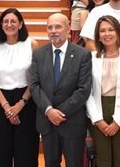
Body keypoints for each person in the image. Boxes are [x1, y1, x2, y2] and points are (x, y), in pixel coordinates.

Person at [29, 13, 92, 167]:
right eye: (50, 27)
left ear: (68, 28)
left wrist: (60, 113)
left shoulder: (82, 54)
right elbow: (34, 85)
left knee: (74, 163)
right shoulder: (39, 54)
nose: (53, 30)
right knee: (50, 163)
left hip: (72, 121)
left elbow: (83, 89)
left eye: (58, 26)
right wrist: (49, 111)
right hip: (47, 121)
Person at [86, 16, 120, 167]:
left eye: (111, 29)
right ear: (98, 35)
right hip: (99, 111)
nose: (106, 34)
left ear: (118, 32)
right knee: (103, 161)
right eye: (102, 31)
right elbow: (87, 92)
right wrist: (98, 120)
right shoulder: (90, 58)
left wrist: (118, 122)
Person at [0, 8, 39, 167]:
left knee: (26, 150)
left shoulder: (31, 44)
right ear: (1, 25)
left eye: (13, 21)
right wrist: (7, 107)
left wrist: (20, 103)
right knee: (1, 151)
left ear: (21, 24)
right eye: (5, 21)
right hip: (1, 101)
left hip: (26, 100)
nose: (9, 25)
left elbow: (35, 78)